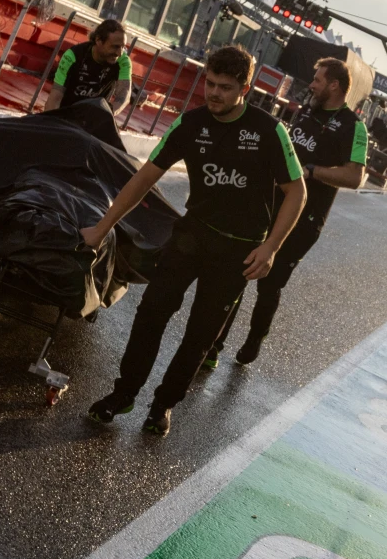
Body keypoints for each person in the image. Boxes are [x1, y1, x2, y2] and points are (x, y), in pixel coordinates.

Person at [81, 45, 305, 435]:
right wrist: (102, 228)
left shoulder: (270, 130)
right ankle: (124, 393)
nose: (214, 93)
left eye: (225, 87)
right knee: (151, 314)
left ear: (245, 88)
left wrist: (270, 248)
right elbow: (144, 178)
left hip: (239, 250)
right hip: (192, 236)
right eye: (210, 83)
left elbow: (297, 192)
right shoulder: (190, 123)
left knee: (200, 335)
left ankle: (164, 405)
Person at [205, 57, 368, 367]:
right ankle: (215, 344)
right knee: (242, 269)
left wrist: (311, 170)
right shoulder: (307, 111)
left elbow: (355, 177)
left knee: (270, 283)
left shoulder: (354, 127)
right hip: (269, 204)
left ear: (334, 85)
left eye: (318, 80)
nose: (312, 84)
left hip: (306, 217)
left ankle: (255, 336)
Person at [43, 18, 133, 112]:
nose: (119, 53)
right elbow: (55, 97)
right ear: (98, 40)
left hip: (93, 117)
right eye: (115, 47)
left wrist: (107, 115)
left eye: (123, 47)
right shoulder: (73, 56)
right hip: (65, 113)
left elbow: (124, 94)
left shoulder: (123, 61)